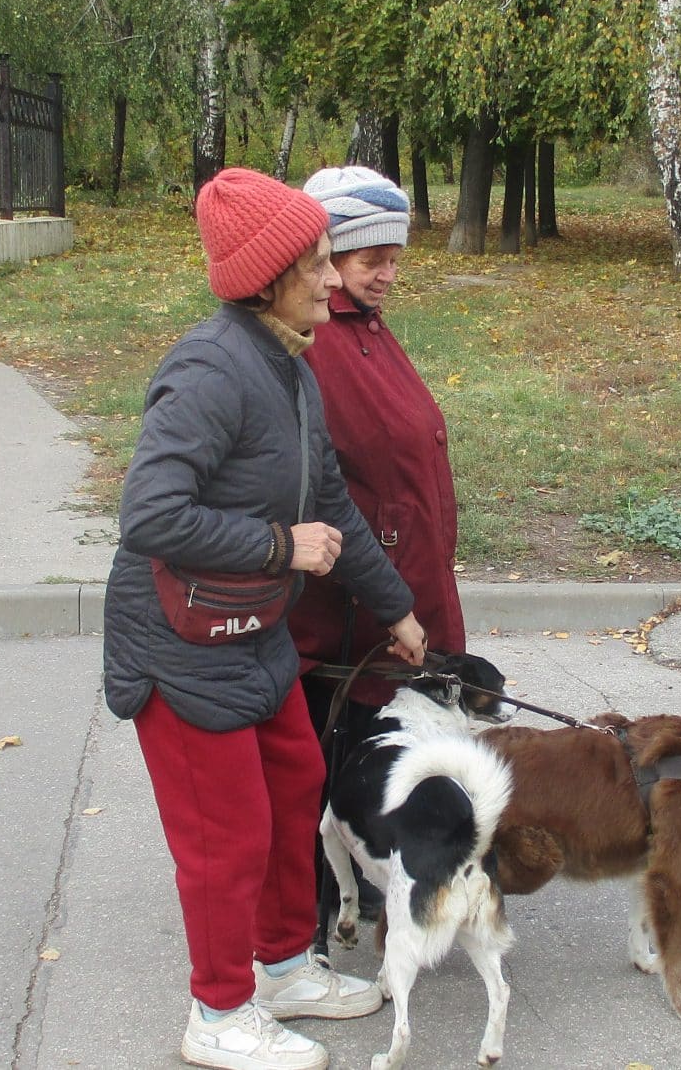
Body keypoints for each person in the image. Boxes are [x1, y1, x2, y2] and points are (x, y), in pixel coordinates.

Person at [102, 166, 430, 1070]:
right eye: (319, 262)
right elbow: (150, 516)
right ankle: (216, 1014)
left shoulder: (286, 362)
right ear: (271, 273)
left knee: (295, 789)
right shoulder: (209, 368)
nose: (335, 280)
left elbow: (330, 499)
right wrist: (282, 548)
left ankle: (284, 964)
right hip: (178, 646)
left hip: (253, 635)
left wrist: (395, 608)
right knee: (226, 839)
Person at [287, 166, 469, 929]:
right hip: (352, 607)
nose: (389, 273)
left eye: (396, 256)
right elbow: (322, 486)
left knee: (375, 747)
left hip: (401, 582)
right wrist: (385, 591)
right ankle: (313, 917)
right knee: (336, 755)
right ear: (328, 257)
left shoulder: (363, 327)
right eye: (372, 260)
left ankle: (377, 878)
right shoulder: (315, 340)